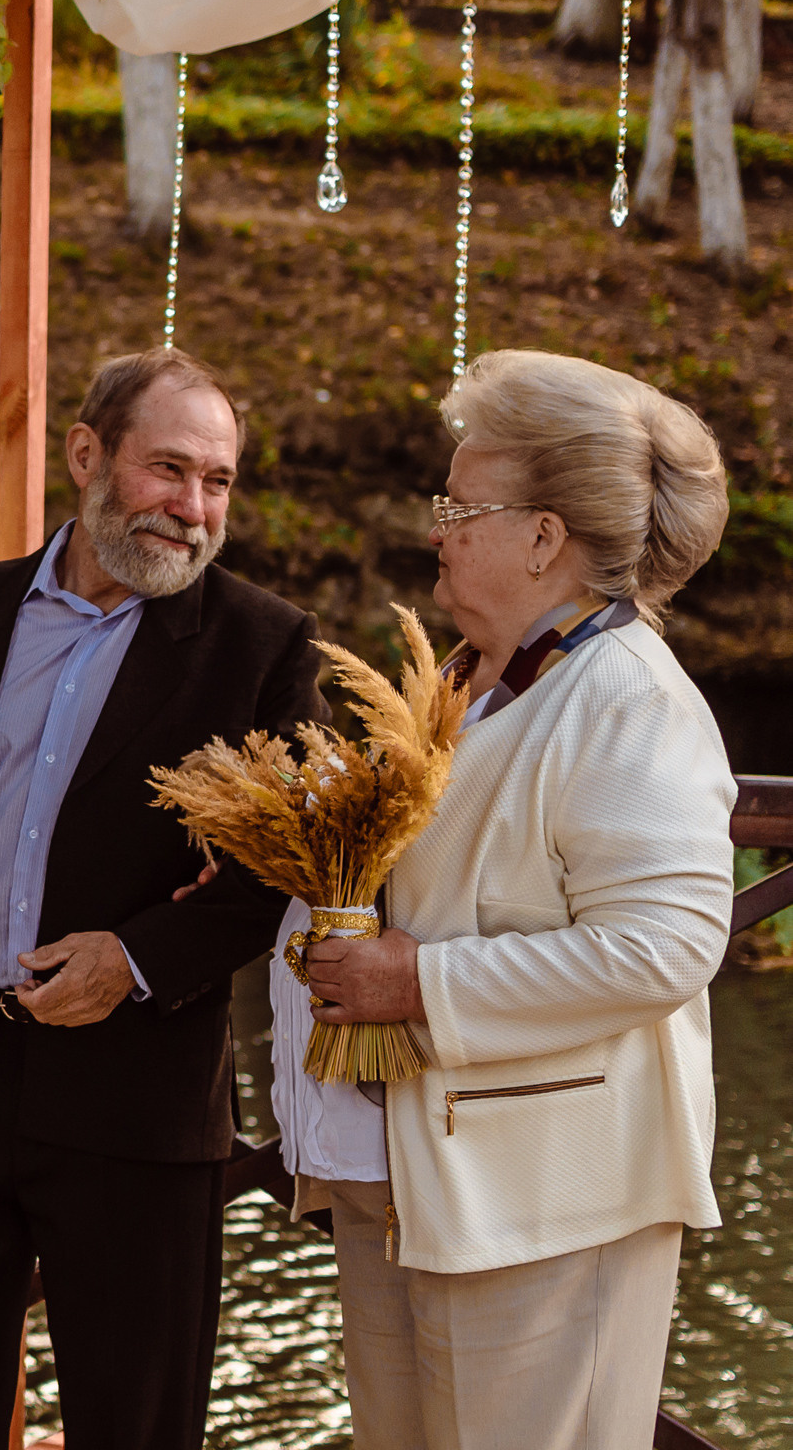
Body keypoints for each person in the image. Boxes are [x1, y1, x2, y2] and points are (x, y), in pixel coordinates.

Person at [0, 349, 328, 1450]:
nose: (192, 508)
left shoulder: (261, 645)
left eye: (217, 482)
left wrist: (137, 958)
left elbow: (294, 868)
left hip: (137, 1098)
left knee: (136, 1428)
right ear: (86, 455)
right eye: (168, 470)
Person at [296, 348, 734, 1450]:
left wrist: (416, 985)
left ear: (544, 537)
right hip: (417, 1179)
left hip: (546, 1203)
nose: (436, 529)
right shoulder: (471, 675)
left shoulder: (629, 698)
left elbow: (666, 946)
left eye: (461, 507)